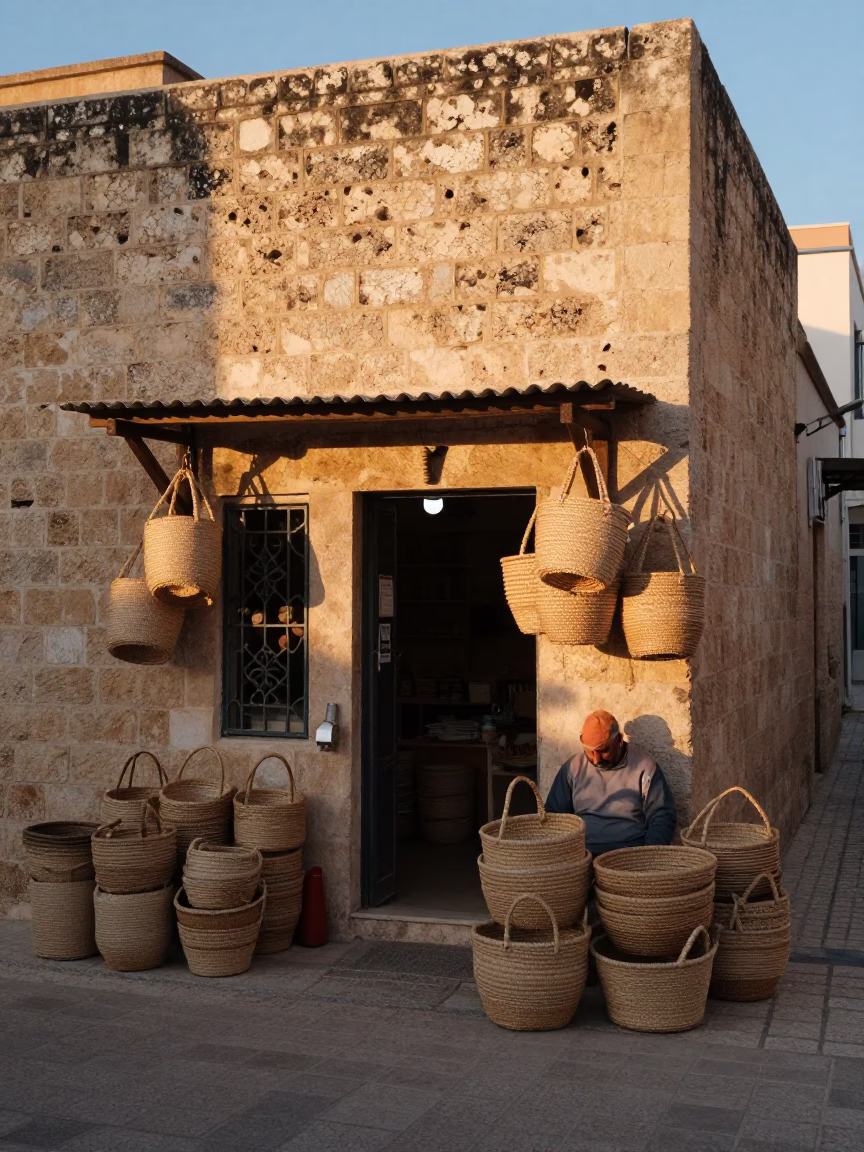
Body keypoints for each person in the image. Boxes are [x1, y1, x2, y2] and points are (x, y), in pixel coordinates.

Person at [544, 709, 676, 858]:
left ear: (619, 740)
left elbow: (662, 816)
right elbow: (554, 816)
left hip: (628, 855)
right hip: (581, 855)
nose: (596, 759)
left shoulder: (644, 767)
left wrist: (647, 858)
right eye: (589, 751)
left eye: (603, 750)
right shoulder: (573, 767)